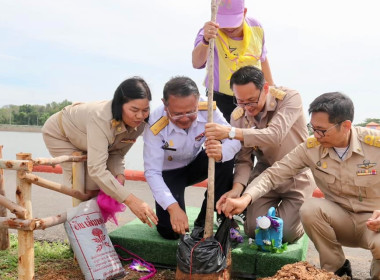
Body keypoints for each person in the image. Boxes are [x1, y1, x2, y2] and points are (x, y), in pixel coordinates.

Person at [217, 92, 380, 279]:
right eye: (313, 128)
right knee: (310, 208)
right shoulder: (312, 148)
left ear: (346, 126)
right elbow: (273, 174)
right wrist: (245, 198)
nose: (316, 135)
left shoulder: (375, 144)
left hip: (373, 223)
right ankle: (336, 269)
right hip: (340, 219)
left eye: (322, 130)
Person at [205, 65, 316, 243]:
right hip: (264, 176)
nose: (247, 107)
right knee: (253, 230)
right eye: (240, 101)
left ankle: (298, 219)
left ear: (265, 89)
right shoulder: (238, 116)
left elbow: (275, 134)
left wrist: (231, 132)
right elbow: (244, 160)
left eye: (251, 101)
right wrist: (236, 190)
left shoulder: (289, 98)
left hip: (297, 174)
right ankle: (273, 215)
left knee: (285, 233)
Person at [42, 77, 158, 227]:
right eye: (134, 110)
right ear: (119, 105)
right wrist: (131, 200)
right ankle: (82, 231)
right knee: (89, 184)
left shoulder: (140, 123)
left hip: (88, 140)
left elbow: (117, 152)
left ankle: (93, 231)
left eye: (145, 110)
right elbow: (97, 169)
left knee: (111, 181)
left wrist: (119, 174)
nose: (140, 116)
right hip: (61, 134)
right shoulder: (101, 118)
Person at [143, 76, 241, 240]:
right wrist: (173, 207)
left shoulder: (208, 107)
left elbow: (233, 139)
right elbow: (152, 172)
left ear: (197, 102)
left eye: (191, 111)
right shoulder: (154, 122)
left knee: (224, 155)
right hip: (169, 173)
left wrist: (222, 152)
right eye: (177, 114)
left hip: (196, 164)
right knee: (171, 231)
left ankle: (207, 218)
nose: (184, 118)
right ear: (165, 105)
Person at [192, 0, 274, 123]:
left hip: (254, 99)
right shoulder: (209, 32)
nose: (229, 28)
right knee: (225, 138)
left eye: (233, 22)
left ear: (244, 12)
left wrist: (272, 89)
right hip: (221, 100)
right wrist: (205, 41)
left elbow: (262, 58)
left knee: (255, 137)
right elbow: (196, 63)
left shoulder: (256, 27)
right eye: (224, 22)